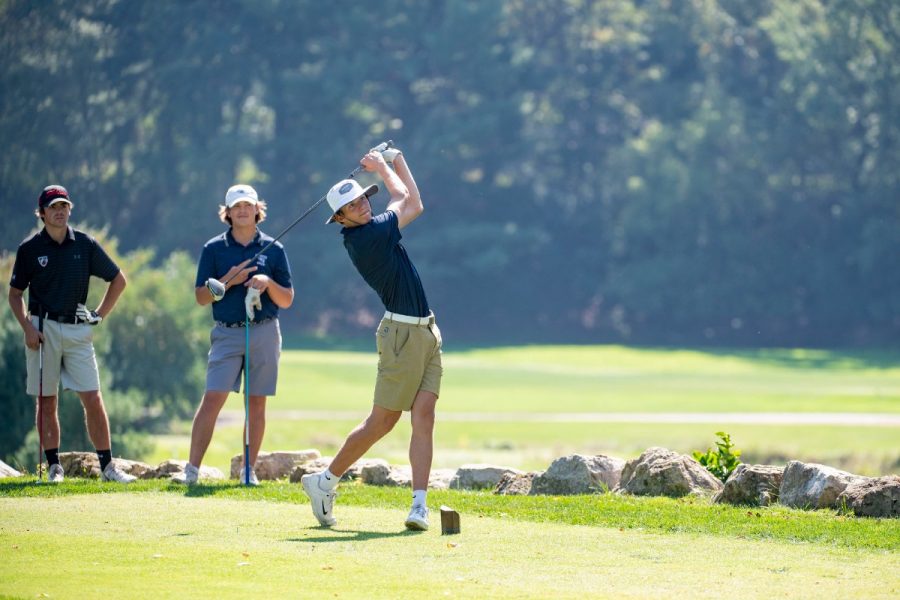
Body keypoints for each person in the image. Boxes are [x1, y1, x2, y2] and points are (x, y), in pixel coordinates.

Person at [301, 146, 442, 531]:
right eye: (353, 204)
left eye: (363, 198)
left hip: (425, 330)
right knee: (382, 422)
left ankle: (419, 505)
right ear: (340, 218)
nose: (362, 205)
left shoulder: (371, 228)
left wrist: (395, 162)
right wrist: (385, 165)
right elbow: (409, 202)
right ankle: (325, 481)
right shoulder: (365, 237)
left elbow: (414, 202)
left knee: (424, 417)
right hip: (401, 334)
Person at [7, 184, 135, 484]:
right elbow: (14, 295)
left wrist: (98, 315)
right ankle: (54, 467)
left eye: (64, 206)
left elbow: (118, 280)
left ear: (70, 209)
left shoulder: (85, 244)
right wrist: (27, 327)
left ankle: (107, 467)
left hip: (78, 329)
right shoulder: (29, 249)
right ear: (42, 213)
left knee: (93, 397)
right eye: (53, 207)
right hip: (42, 328)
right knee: (47, 400)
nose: (59, 211)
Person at [175, 184, 294, 485]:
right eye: (236, 206)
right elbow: (202, 297)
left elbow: (287, 299)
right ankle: (191, 471)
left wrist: (267, 281)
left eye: (247, 205)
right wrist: (229, 280)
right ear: (226, 213)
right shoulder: (213, 249)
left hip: (264, 330)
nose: (242, 210)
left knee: (256, 402)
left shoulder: (274, 248)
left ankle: (248, 471)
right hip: (227, 333)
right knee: (212, 398)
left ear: (257, 210)